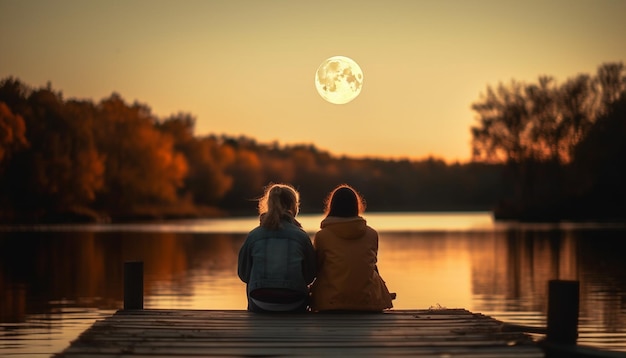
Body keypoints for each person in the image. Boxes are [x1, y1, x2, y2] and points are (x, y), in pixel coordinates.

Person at [309, 184, 393, 312]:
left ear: (332, 206)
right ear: (356, 206)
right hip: (368, 302)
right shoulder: (372, 234)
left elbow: (317, 268)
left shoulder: (322, 236)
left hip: (330, 303)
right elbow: (372, 265)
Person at [238, 183, 316, 313]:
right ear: (293, 206)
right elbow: (310, 276)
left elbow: (244, 275)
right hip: (295, 303)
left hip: (260, 303)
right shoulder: (301, 237)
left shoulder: (254, 235)